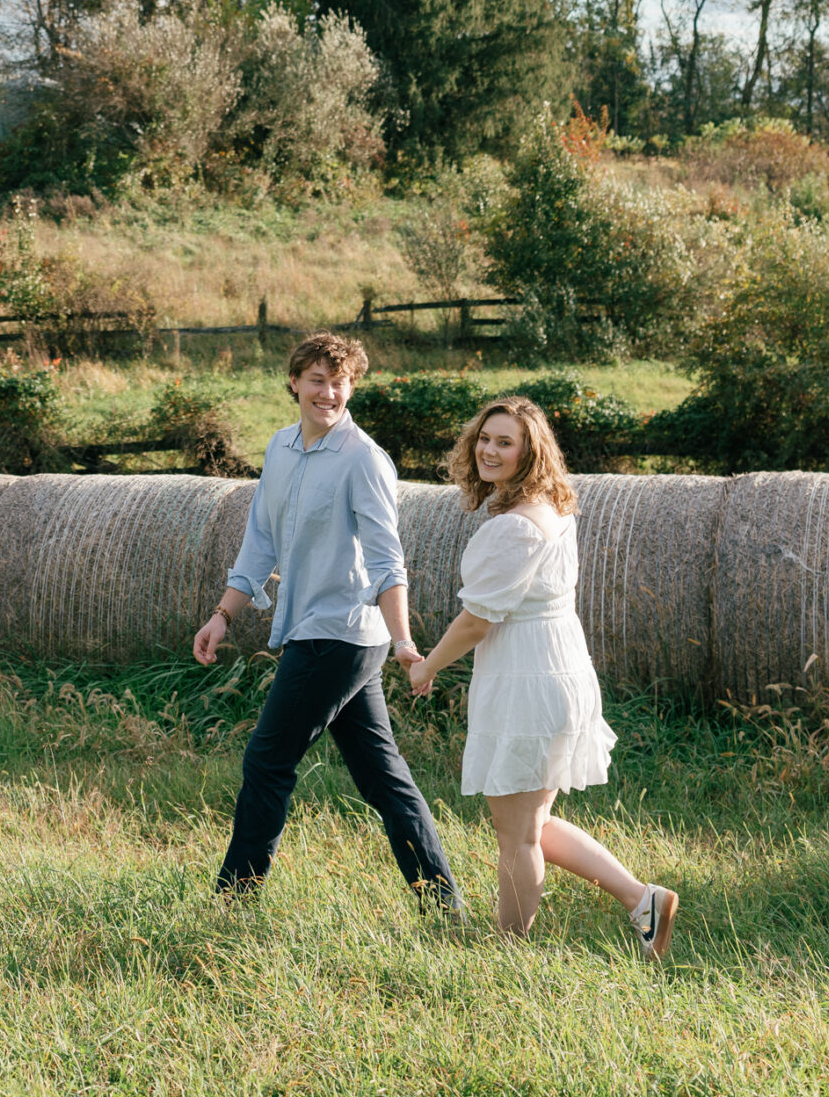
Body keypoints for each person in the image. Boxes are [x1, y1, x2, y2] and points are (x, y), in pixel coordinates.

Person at [192, 331, 465, 918]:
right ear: (294, 382)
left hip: (339, 633)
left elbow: (387, 558)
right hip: (324, 633)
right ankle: (444, 905)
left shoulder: (362, 458)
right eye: (318, 379)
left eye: (340, 381)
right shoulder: (281, 448)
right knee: (384, 781)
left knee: (267, 761)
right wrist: (223, 614)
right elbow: (261, 540)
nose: (329, 392)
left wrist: (404, 641)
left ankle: (233, 903)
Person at [408, 394, 678, 958]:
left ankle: (506, 954)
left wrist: (428, 665)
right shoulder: (551, 510)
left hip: (526, 677)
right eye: (485, 438)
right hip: (553, 667)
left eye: (505, 442)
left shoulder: (516, 528)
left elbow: (478, 619)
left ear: (530, 454)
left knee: (517, 833)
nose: (489, 449)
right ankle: (641, 899)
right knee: (532, 821)